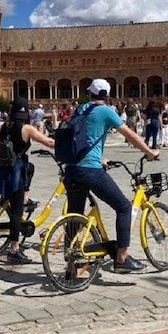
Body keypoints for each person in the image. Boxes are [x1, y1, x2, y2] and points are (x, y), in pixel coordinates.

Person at [64, 79, 160, 272]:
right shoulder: (106, 111)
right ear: (107, 96)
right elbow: (129, 134)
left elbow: (83, 136)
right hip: (89, 170)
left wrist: (99, 158)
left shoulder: (81, 109)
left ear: (89, 93)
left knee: (74, 216)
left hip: (72, 169)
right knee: (124, 207)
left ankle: (70, 266)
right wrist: (149, 152)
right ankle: (122, 258)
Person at [0, 97, 55, 264]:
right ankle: (14, 249)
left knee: (30, 167)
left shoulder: (4, 126)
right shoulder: (26, 128)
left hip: (2, 172)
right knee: (16, 213)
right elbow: (48, 141)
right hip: (15, 174)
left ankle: (25, 197)